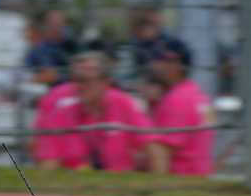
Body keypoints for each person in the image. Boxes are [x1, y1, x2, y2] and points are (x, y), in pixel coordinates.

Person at [32, 51, 150, 172]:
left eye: (86, 80)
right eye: (77, 79)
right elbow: (46, 163)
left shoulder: (124, 103)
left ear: (106, 81)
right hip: (75, 185)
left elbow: (152, 145)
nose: (80, 86)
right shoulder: (60, 109)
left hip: (121, 183)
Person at [142, 38, 216, 174]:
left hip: (181, 181)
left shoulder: (176, 99)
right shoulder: (200, 96)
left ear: (174, 64)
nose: (155, 65)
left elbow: (162, 155)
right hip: (201, 178)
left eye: (160, 59)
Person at [23, 9, 77, 87]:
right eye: (54, 24)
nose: (57, 27)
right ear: (46, 25)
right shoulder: (40, 49)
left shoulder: (72, 45)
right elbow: (50, 76)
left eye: (60, 24)